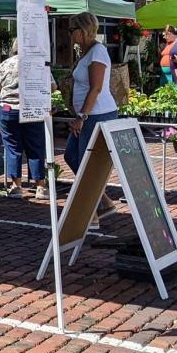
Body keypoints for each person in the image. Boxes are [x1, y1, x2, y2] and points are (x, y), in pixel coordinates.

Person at [64, 12, 119, 226]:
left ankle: (91, 214)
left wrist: (81, 116)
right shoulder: (85, 52)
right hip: (87, 115)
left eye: (71, 30)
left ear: (82, 30)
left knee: (86, 163)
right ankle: (105, 202)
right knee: (71, 156)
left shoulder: (98, 51)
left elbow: (96, 88)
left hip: (96, 114)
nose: (69, 35)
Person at [0, 40, 53, 200]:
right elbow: (52, 86)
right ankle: (40, 187)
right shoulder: (39, 63)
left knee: (12, 148)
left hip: (9, 110)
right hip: (32, 109)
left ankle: (16, 186)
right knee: (36, 147)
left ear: (14, 49)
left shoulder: (5, 64)